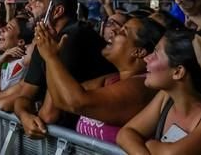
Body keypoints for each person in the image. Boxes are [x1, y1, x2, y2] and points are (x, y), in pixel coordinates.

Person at [8, 0, 116, 136]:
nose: (28, 6)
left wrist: (31, 115)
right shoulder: (45, 39)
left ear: (57, 11)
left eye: (37, 2)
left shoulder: (73, 38)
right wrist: (24, 115)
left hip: (87, 141)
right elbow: (25, 94)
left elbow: (49, 115)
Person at [35, 17, 164, 144]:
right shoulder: (112, 79)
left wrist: (51, 58)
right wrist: (53, 54)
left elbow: (75, 102)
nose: (113, 32)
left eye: (123, 32)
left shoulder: (141, 86)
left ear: (139, 51)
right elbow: (61, 97)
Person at [117, 29, 201, 154]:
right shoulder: (165, 97)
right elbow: (125, 134)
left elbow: (170, 154)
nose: (146, 58)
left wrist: (147, 145)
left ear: (178, 72)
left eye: (156, 53)